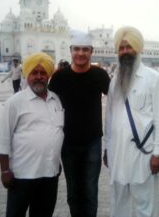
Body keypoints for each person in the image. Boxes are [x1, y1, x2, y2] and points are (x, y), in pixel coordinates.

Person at [103, 26, 159, 217]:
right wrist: (107, 148)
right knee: (118, 206)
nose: (125, 51)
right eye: (121, 48)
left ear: (138, 48)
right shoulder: (114, 80)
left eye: (129, 47)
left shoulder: (154, 79)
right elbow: (109, 118)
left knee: (145, 207)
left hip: (144, 155)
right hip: (118, 154)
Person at [0, 52, 64, 217]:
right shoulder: (15, 102)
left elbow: (56, 132)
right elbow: (2, 139)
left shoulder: (56, 99)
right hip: (21, 175)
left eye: (43, 73)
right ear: (27, 74)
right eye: (34, 73)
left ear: (48, 75)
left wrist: (56, 160)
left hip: (49, 174)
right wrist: (4, 171)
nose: (39, 77)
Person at [48, 31, 110, 217]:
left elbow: (117, 103)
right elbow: (48, 107)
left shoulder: (100, 75)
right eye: (77, 49)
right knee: (73, 192)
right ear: (71, 51)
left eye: (85, 49)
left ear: (91, 51)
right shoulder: (60, 77)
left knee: (90, 190)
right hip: (68, 143)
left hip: (93, 142)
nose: (80, 53)